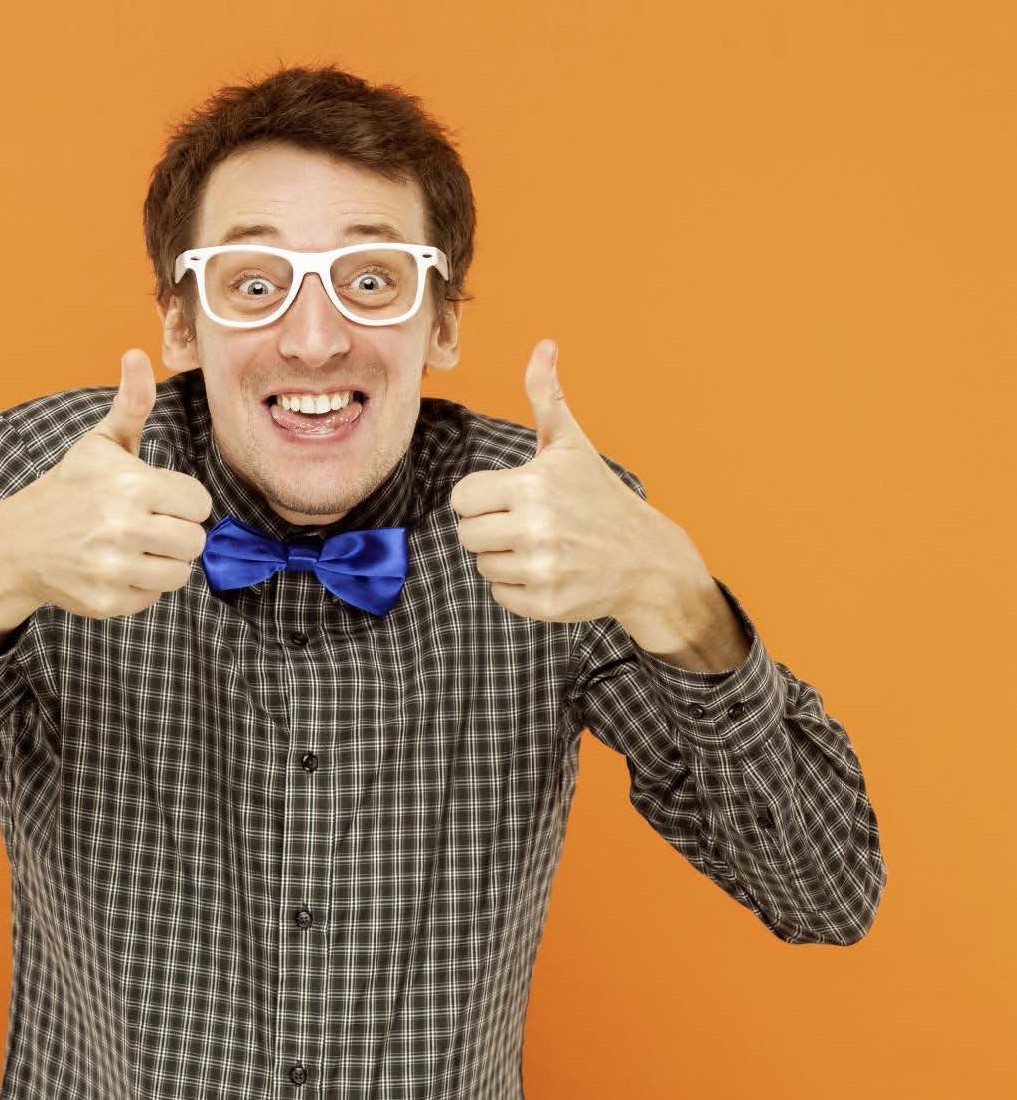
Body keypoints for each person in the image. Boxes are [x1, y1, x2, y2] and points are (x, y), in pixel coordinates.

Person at [0, 65, 886, 1100]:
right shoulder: (42, 481)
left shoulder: (557, 520)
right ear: (181, 324)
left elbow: (826, 893)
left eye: (372, 280)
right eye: (255, 283)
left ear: (444, 323)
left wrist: (676, 596)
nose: (314, 339)